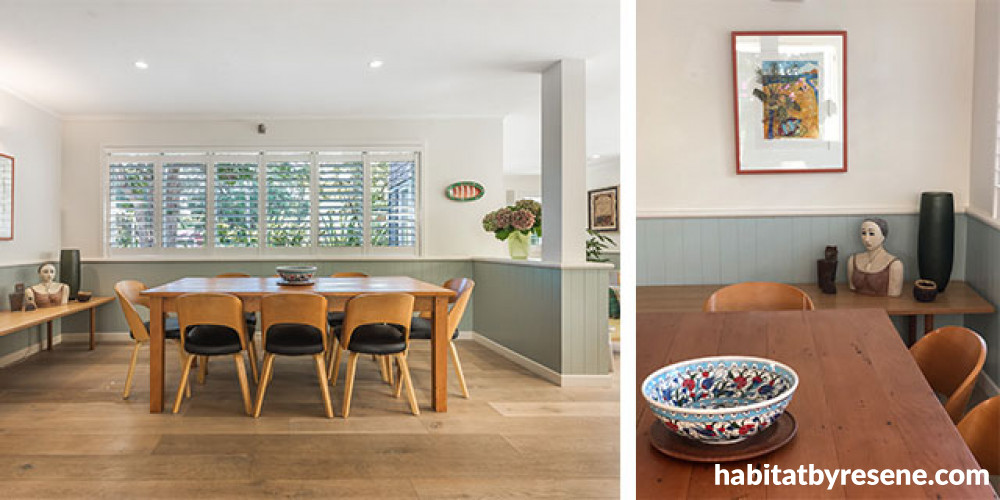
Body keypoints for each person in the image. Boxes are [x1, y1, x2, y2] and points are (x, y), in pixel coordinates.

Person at [847, 218, 904, 297]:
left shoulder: (895, 265)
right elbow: (852, 288)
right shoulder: (852, 260)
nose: (866, 239)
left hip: (883, 307)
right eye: (863, 233)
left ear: (883, 236)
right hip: (856, 306)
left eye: (871, 233)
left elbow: (894, 294)